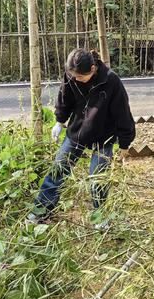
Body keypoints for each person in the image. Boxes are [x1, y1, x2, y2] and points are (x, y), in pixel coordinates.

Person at [27, 48, 135, 228]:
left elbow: (123, 113)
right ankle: (41, 210)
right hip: (78, 131)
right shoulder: (71, 75)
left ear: (92, 69)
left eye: (80, 77)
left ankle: (100, 219)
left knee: (97, 178)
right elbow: (65, 98)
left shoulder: (111, 81)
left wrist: (125, 143)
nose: (75, 80)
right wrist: (59, 121)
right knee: (58, 170)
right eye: (72, 76)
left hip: (104, 136)